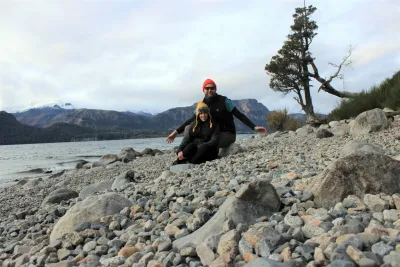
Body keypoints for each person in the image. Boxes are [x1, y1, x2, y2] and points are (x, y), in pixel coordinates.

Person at [166, 78, 268, 148]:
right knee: (188, 128)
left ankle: (196, 153)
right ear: (203, 90)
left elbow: (239, 115)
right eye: (207, 88)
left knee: (203, 144)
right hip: (211, 133)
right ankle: (184, 153)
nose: (210, 90)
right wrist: (175, 133)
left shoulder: (224, 101)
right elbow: (192, 119)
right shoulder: (202, 105)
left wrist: (254, 127)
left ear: (215, 89)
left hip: (227, 134)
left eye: (212, 88)